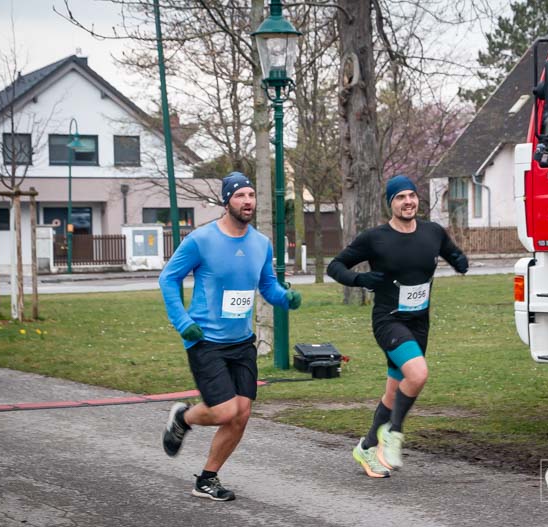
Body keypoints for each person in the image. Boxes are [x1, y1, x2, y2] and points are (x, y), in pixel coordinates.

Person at [159, 171, 302, 501]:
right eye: (240, 195)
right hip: (205, 340)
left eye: (251, 195)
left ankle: (206, 479)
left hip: (242, 342)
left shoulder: (260, 243)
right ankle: (183, 418)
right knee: (225, 411)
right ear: (227, 201)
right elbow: (168, 278)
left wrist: (286, 298)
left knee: (242, 414)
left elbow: (267, 286)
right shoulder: (201, 240)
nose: (247, 201)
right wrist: (182, 322)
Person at [326, 175, 469, 478]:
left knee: (394, 393)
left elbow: (450, 251)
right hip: (389, 320)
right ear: (390, 203)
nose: (408, 202)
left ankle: (366, 447)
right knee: (418, 374)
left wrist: (459, 260)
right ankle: (393, 434)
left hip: (419, 323)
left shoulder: (432, 232)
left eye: (411, 196)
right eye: (400, 197)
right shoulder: (375, 238)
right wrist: (360, 279)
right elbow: (335, 266)